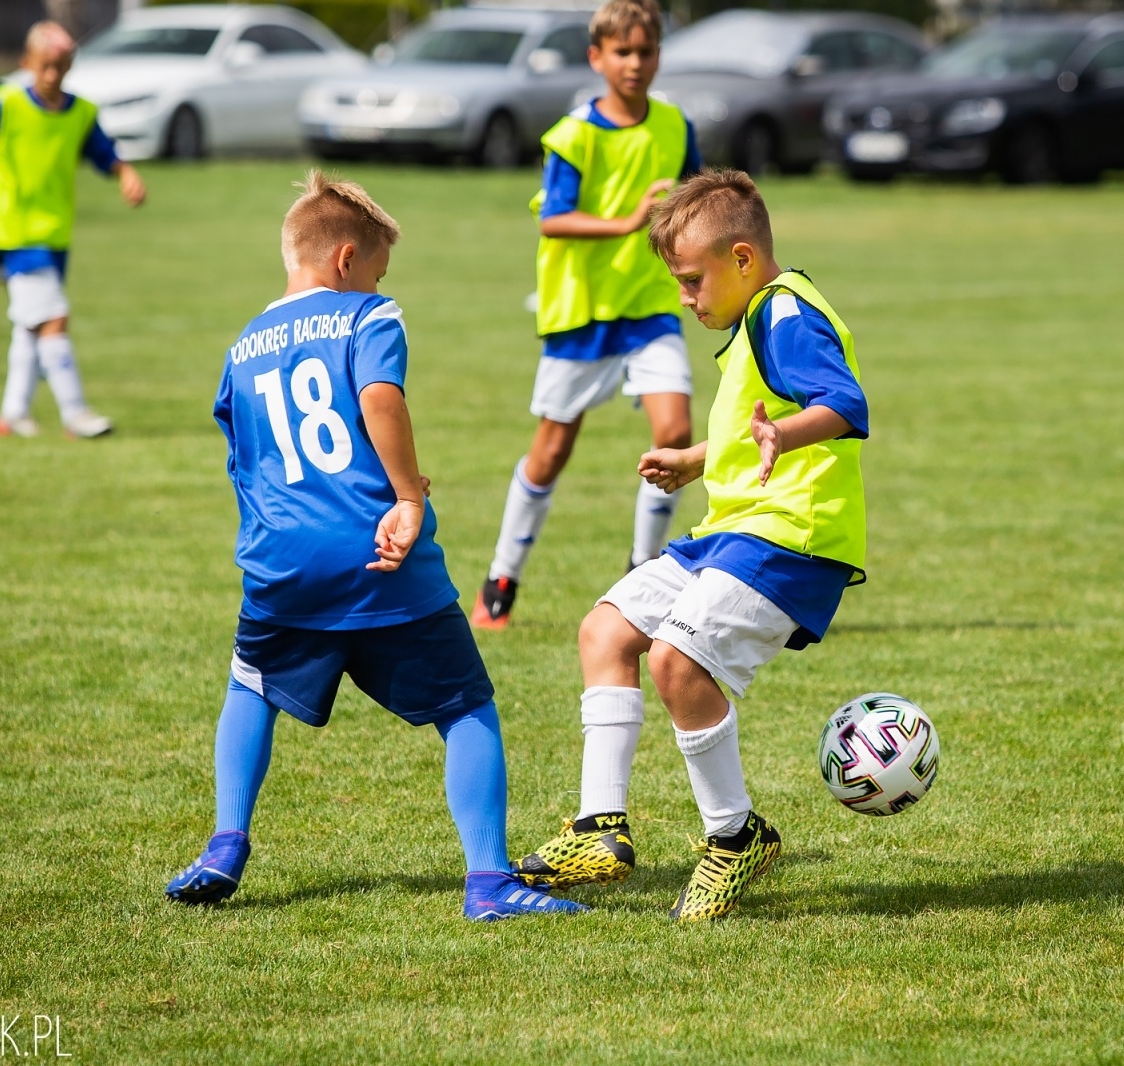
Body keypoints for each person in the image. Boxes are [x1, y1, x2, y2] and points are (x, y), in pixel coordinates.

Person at [165, 171, 586, 922]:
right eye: (377, 272)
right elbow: (378, 397)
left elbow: (250, 460)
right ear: (346, 259)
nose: (379, 286)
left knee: (250, 687)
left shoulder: (242, 346)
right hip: (376, 550)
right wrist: (407, 495)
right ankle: (490, 882)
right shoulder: (367, 316)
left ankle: (225, 843)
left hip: (281, 561)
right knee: (466, 706)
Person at [516, 170, 870, 922]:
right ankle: (599, 827)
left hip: (793, 536)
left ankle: (735, 837)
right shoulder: (760, 314)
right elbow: (755, 426)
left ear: (742, 258)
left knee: (677, 660)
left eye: (690, 280)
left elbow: (843, 403)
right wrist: (698, 459)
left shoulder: (786, 314)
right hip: (734, 529)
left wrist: (784, 434)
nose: (685, 297)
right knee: (606, 630)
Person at [471, 0, 702, 629]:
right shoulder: (573, 134)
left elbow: (695, 203)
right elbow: (553, 218)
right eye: (622, 52)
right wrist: (628, 221)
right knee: (551, 452)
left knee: (675, 434)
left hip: (649, 309)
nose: (635, 63)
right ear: (596, 57)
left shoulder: (676, 126)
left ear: (659, 56)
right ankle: (501, 580)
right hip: (582, 314)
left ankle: (643, 577)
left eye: (646, 51)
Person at [0, 21, 145, 439]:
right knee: (53, 317)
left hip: (56, 232)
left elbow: (103, 154)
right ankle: (75, 413)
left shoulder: (80, 112)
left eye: (60, 66)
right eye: (44, 65)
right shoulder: (6, 102)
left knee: (31, 325)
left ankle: (12, 414)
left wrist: (125, 173)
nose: (52, 74)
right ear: (27, 62)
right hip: (19, 231)